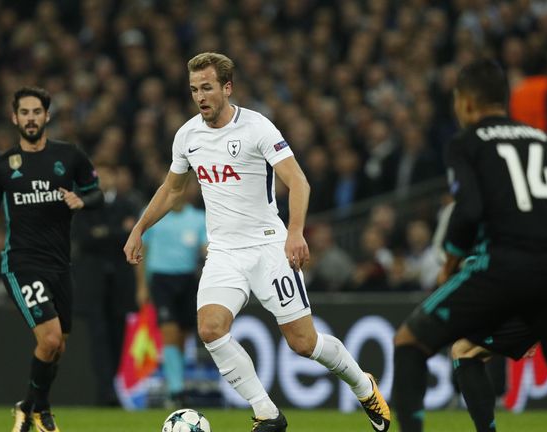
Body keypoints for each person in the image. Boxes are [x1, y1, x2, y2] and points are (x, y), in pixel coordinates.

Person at [123, 52, 390, 432]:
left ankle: (364, 386)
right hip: (223, 253)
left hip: (268, 248)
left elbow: (298, 181)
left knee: (304, 343)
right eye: (194, 89)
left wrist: (295, 231)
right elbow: (171, 188)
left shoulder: (257, 128)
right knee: (210, 329)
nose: (200, 97)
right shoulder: (188, 136)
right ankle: (267, 413)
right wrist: (140, 229)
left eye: (207, 88)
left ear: (227, 88)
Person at [392, 59, 547, 432]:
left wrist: (449, 266)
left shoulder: (466, 143)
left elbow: (469, 211)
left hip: (502, 265)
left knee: (409, 341)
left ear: (465, 103)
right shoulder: (545, 142)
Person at [0, 86, 104, 432]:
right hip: (21, 262)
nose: (31, 118)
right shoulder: (1, 165)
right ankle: (41, 412)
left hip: (60, 265)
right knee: (48, 340)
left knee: (58, 346)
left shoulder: (70, 156)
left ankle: (28, 406)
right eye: (25, 113)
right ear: (14, 118)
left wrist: (82, 200)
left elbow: (97, 194)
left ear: (47, 116)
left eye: (37, 112)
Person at [71, 164, 139, 406]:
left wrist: (105, 233)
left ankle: (112, 388)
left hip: (119, 283)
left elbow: (131, 235)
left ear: (115, 176)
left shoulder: (127, 204)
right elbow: (85, 238)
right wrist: (118, 231)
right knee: (98, 338)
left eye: (105, 174)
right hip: (93, 284)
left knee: (118, 338)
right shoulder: (82, 205)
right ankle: (105, 392)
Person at [135, 182, 207, 407]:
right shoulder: (152, 214)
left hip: (187, 280)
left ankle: (178, 383)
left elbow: (206, 249)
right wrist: (142, 285)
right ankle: (176, 391)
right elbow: (142, 251)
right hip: (161, 279)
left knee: (183, 336)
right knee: (169, 331)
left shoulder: (198, 217)